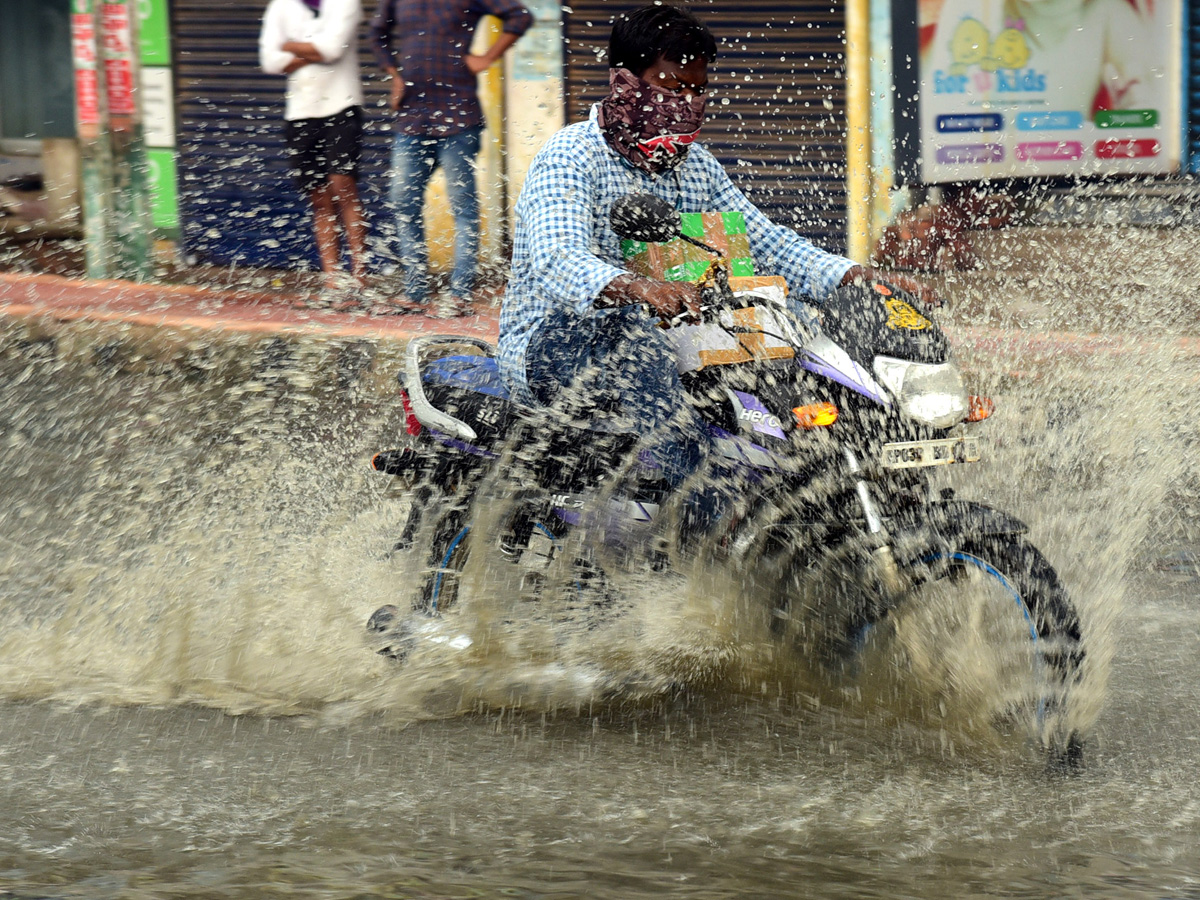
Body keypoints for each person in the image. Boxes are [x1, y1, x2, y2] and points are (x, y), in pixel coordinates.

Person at [498, 4, 933, 484]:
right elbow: (557, 256)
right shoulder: (571, 155)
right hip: (557, 344)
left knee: (796, 335)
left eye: (698, 89)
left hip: (679, 341)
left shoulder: (697, 167)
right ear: (624, 83)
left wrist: (856, 277)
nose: (688, 102)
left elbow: (767, 242)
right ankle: (682, 502)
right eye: (672, 87)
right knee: (633, 336)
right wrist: (641, 289)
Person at [368, 0, 533, 318]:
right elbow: (377, 33)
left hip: (459, 116)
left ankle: (460, 295)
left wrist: (487, 57)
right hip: (412, 116)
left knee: (463, 207)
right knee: (403, 202)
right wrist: (394, 74)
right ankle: (415, 291)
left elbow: (519, 15)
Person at [259, 0, 369, 304]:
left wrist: (289, 46)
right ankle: (332, 281)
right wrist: (312, 50)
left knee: (343, 188)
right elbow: (269, 61)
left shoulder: (346, 3)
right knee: (319, 199)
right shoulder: (281, 6)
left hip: (342, 107)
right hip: (300, 113)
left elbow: (331, 50)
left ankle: (360, 279)